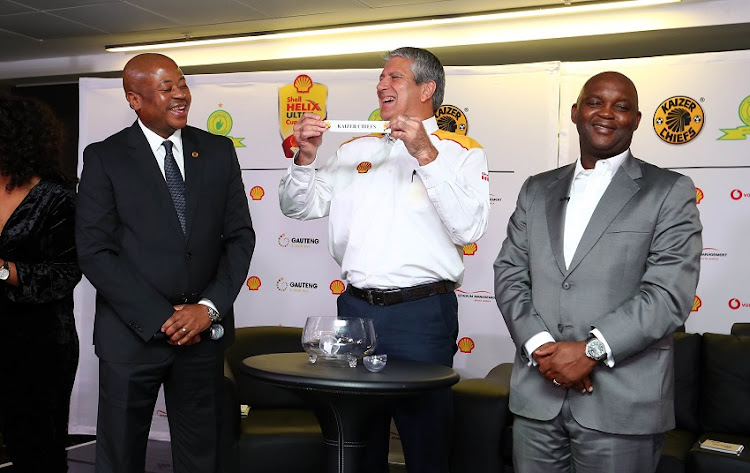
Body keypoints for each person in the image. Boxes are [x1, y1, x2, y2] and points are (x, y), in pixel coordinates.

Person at [279, 46, 489, 473]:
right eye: (381, 76)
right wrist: (305, 156)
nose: (381, 84)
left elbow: (468, 229)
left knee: (425, 439)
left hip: (422, 315)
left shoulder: (461, 151)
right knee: (359, 441)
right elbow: (297, 207)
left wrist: (424, 154)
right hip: (355, 313)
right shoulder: (355, 147)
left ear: (427, 89)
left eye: (395, 77)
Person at [494, 71, 702, 473]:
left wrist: (590, 350)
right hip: (538, 398)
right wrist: (540, 347)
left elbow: (668, 294)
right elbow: (509, 272)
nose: (607, 113)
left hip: (622, 406)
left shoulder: (669, 190)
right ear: (575, 112)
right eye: (595, 102)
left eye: (621, 107)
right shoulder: (535, 189)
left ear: (637, 120)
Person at [76, 53, 254, 473]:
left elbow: (240, 237)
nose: (180, 96)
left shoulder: (217, 150)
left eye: (182, 84)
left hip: (203, 337)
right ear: (134, 99)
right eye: (166, 88)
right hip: (132, 337)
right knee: (120, 457)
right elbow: (95, 251)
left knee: (203, 457)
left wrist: (206, 310)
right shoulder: (105, 157)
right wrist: (163, 319)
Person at [0, 94, 82, 472]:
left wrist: (4, 270)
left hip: (38, 344)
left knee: (36, 450)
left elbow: (65, 274)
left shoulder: (58, 198)